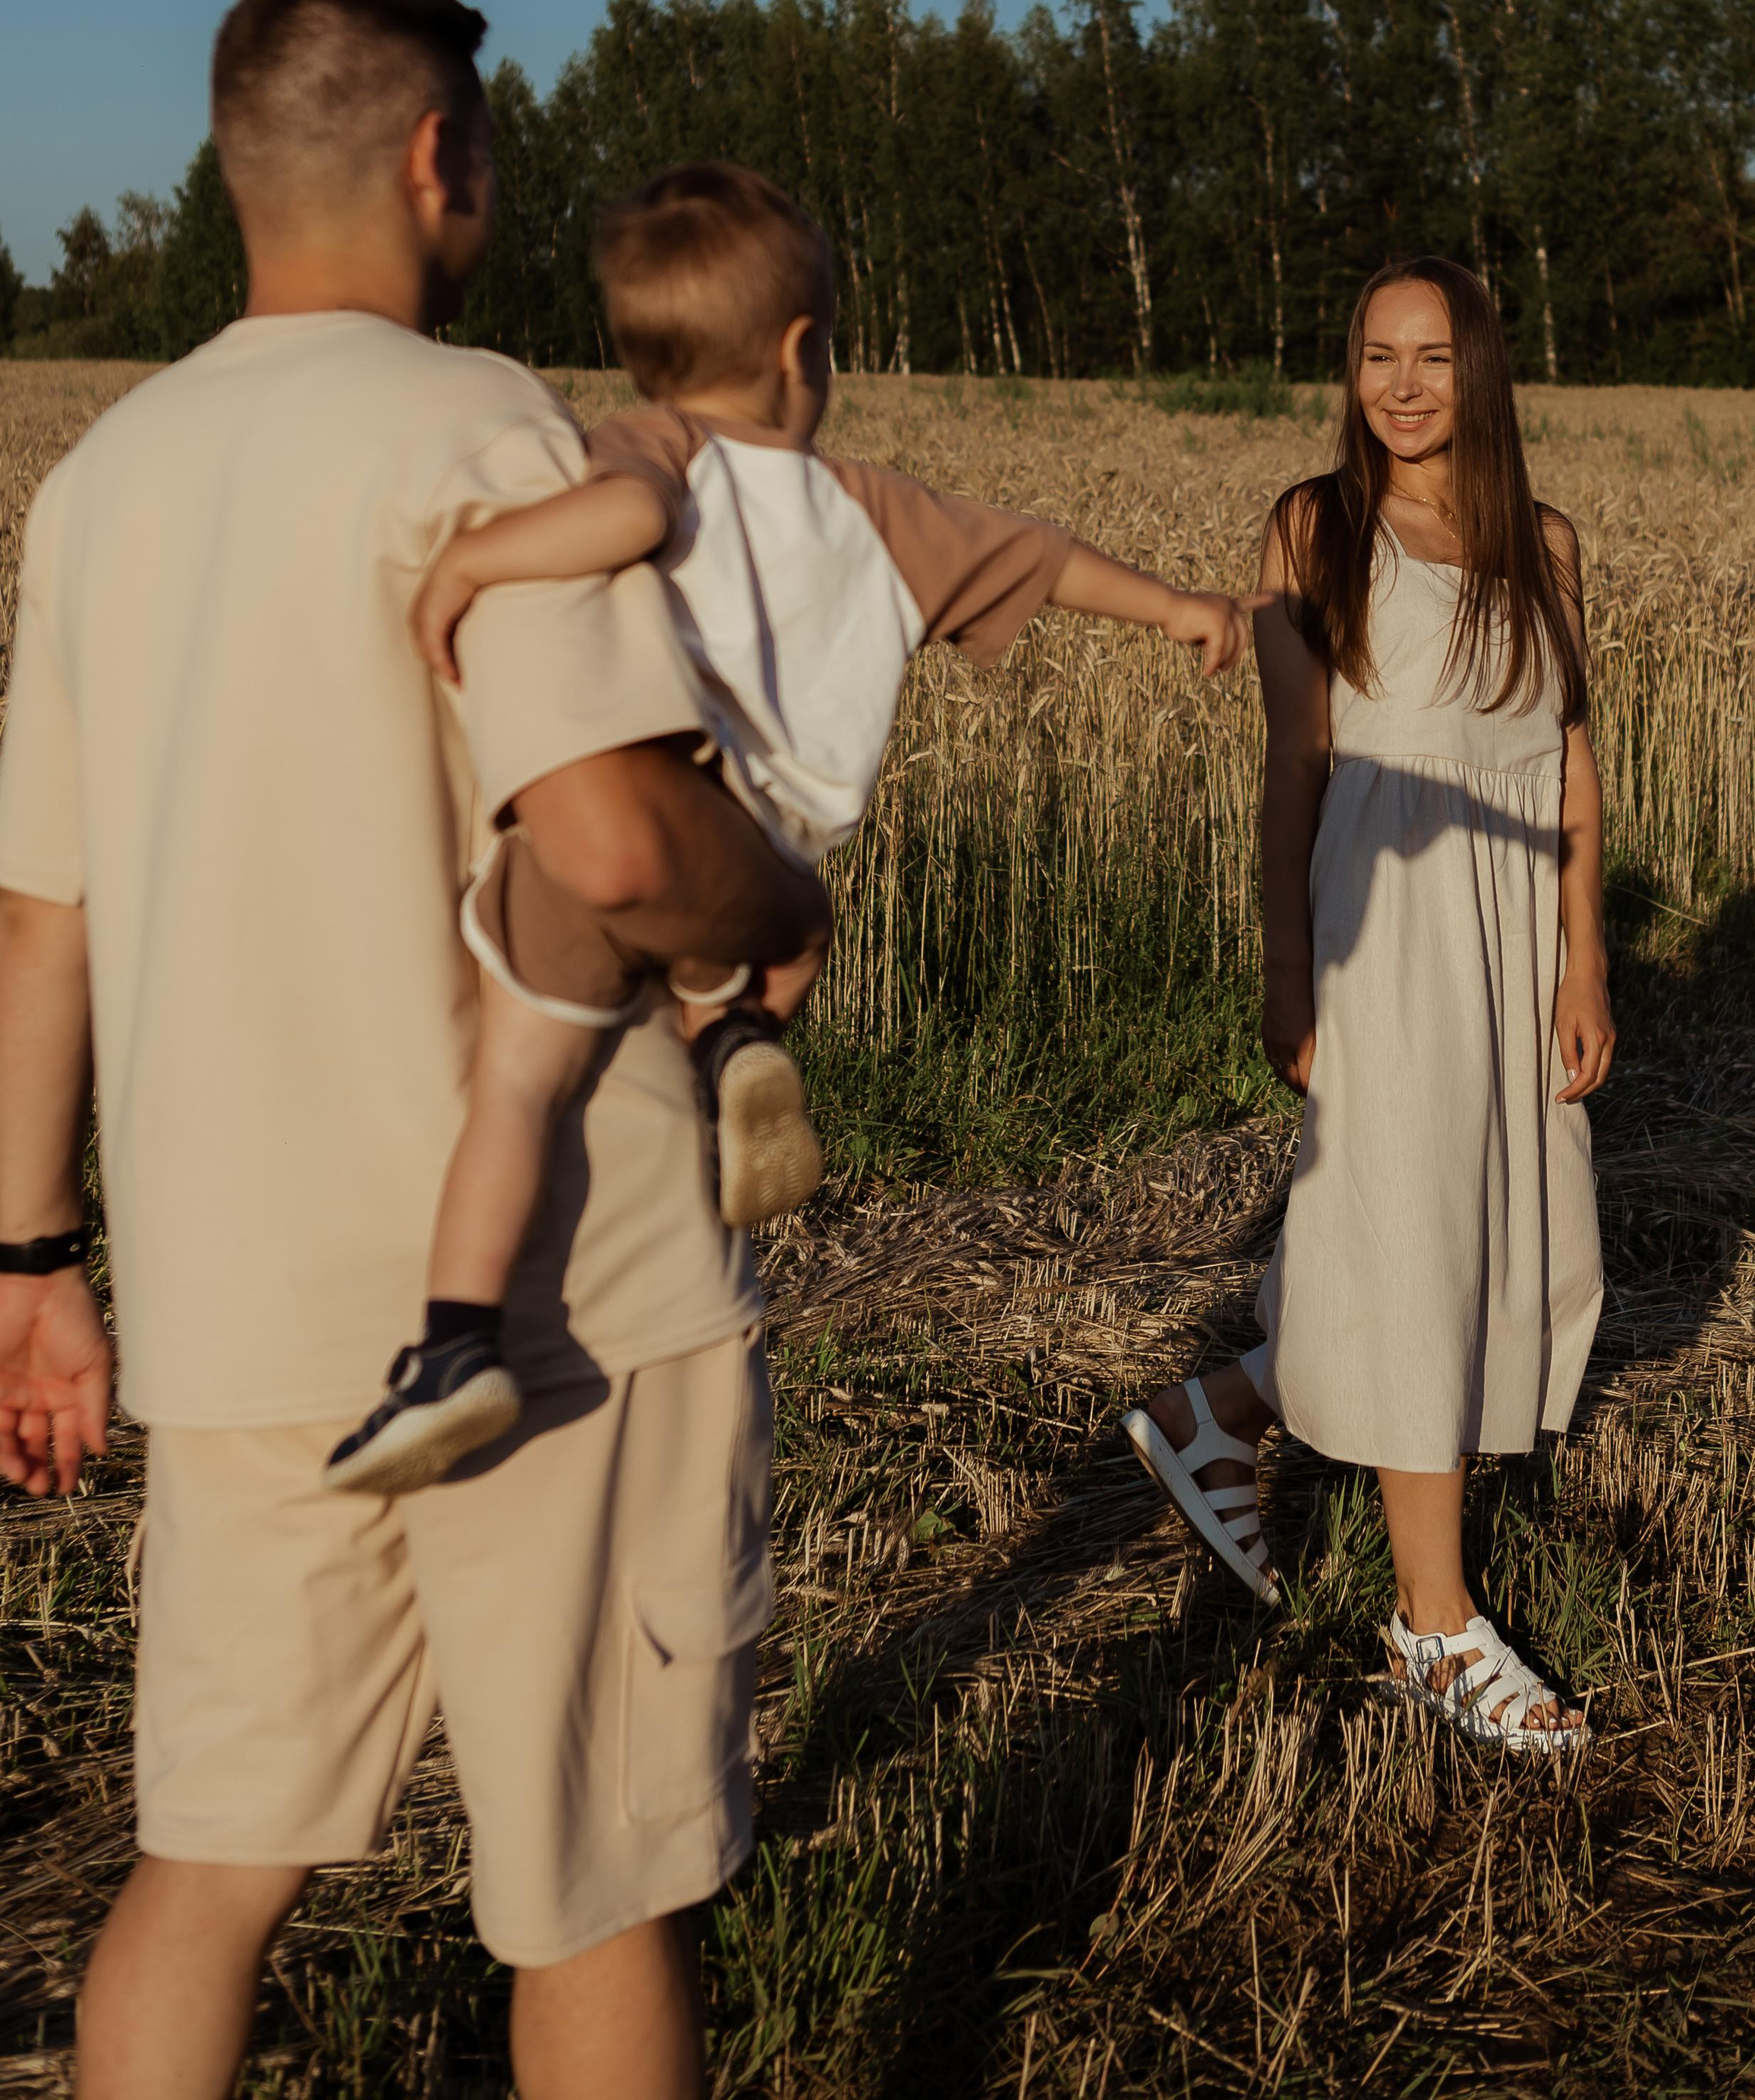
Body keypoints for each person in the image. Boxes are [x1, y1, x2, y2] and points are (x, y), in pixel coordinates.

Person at [0, 0, 831, 2100]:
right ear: (439, 156)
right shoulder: (481, 424)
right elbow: (623, 848)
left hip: (237, 1301)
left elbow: (39, 924)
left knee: (206, 1871)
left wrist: (31, 1263)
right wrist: (789, 898)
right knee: (598, 1891)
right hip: (565, 1305)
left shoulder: (99, 486)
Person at [325, 160, 1259, 1497]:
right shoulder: (871, 508)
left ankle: (456, 1343)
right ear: (800, 349)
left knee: (518, 1086)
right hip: (772, 854)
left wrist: (475, 559)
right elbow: (1043, 561)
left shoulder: (656, 452)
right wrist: (1181, 608)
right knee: (771, 948)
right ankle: (740, 1034)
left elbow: (631, 518)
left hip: (638, 816)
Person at [1121, 257, 1612, 1753]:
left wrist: (1580, 953)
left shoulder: (1543, 542)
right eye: (1373, 355)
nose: (1399, 383)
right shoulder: (1312, 527)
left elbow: (1568, 756)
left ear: (1484, 371)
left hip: (1511, 937)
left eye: (1433, 354)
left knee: (1498, 1246)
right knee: (1406, 1250)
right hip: (1381, 932)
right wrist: (1284, 968)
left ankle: (1220, 1413)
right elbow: (1293, 764)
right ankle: (1432, 1625)